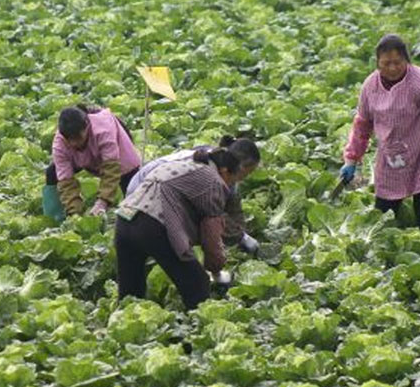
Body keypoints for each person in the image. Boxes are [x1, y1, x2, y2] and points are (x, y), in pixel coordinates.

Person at [341, 34, 420, 230]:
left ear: (406, 60)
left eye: (397, 62)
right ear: (377, 63)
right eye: (386, 63)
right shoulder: (370, 86)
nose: (392, 68)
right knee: (383, 214)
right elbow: (362, 125)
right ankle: (382, 256)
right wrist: (351, 159)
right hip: (391, 156)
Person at [115, 148, 239, 310]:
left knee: (131, 292)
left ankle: (122, 329)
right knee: (197, 282)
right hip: (153, 224)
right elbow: (211, 235)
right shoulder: (214, 180)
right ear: (224, 171)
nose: (230, 186)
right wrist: (216, 270)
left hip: (124, 219)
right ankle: (199, 328)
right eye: (232, 180)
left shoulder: (182, 165)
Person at [126, 135, 262, 256]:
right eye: (247, 173)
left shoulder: (226, 167)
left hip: (158, 190)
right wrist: (216, 257)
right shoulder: (206, 169)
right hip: (142, 191)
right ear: (240, 167)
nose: (245, 178)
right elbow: (209, 219)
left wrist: (241, 235)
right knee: (190, 229)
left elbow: (233, 207)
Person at [43, 104, 142, 220]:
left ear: (87, 127)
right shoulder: (60, 144)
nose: (74, 143)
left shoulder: (103, 129)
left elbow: (111, 170)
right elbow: (66, 182)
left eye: (78, 138)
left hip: (118, 153)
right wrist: (74, 213)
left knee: (132, 188)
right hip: (82, 158)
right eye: (70, 140)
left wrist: (102, 202)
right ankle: (55, 218)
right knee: (52, 173)